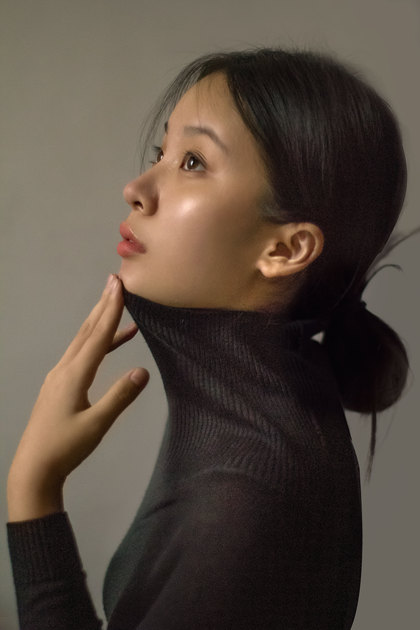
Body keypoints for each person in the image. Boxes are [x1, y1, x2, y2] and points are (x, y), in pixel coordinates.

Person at [6, 47, 414, 629]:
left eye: (193, 162)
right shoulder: (259, 408)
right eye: (161, 153)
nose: (136, 188)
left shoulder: (246, 498)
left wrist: (33, 489)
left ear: (285, 249)